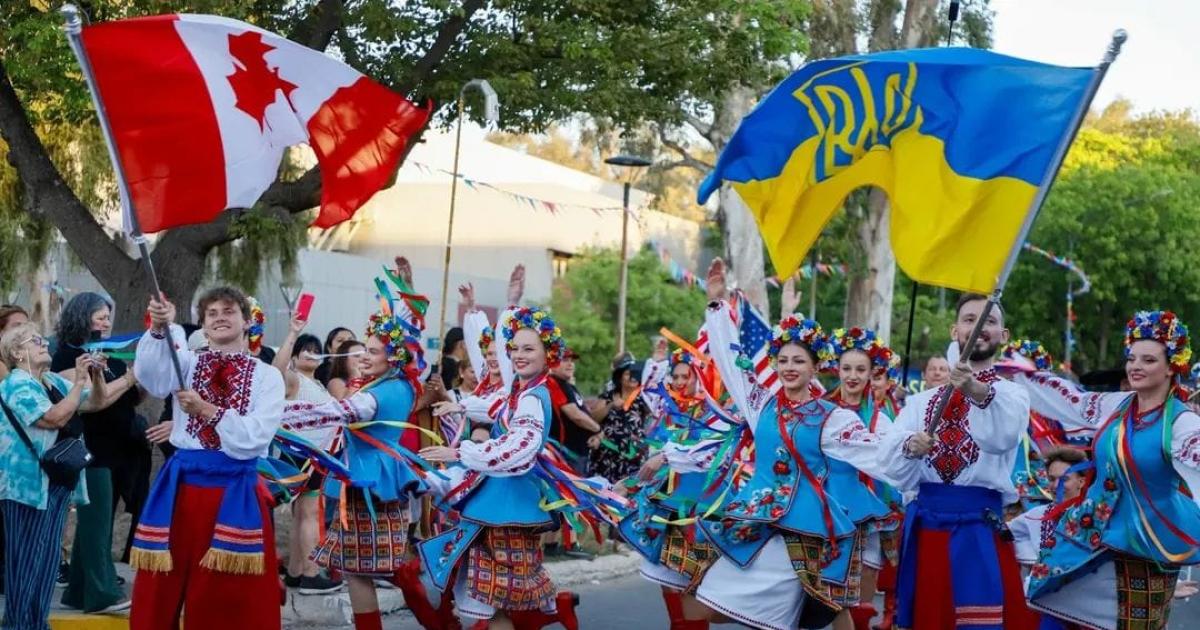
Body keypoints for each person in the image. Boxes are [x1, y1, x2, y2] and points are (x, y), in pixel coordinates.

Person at [682, 259, 895, 630]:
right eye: (783, 360)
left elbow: (877, 453)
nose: (789, 367)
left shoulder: (832, 417)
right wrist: (717, 307)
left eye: (799, 360)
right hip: (759, 519)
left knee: (818, 611)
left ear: (815, 368)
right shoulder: (761, 404)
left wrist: (917, 449)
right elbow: (732, 365)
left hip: (807, 527)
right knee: (711, 602)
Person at [1016, 310, 1200, 630]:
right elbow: (1070, 400)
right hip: (1094, 533)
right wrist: (1017, 372)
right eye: (1132, 358)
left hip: (1148, 544)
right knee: (1059, 611)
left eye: (1148, 360)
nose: (1136, 367)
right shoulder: (1117, 405)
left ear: (1172, 366)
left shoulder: (1182, 424)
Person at [279, 275, 441, 630]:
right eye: (363, 351)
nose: (363, 358)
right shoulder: (385, 384)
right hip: (362, 480)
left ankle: (433, 613)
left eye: (372, 351)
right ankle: (428, 610)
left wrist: (276, 413)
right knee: (359, 568)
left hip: (372, 483)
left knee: (366, 568)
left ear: (393, 356)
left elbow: (338, 413)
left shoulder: (386, 391)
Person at [129, 288, 285, 630]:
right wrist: (159, 328)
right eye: (211, 312)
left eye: (228, 311)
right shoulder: (187, 363)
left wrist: (207, 410)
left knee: (228, 595)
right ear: (203, 323)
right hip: (181, 489)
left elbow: (256, 437)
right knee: (158, 587)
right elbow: (152, 375)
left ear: (247, 321)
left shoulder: (267, 376)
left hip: (234, 491)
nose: (219, 317)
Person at [421, 306, 585, 630]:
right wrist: (462, 404)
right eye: (515, 348)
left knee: (497, 601)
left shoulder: (534, 399)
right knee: (494, 600)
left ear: (547, 354)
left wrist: (462, 453)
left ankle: (556, 608)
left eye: (528, 349)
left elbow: (517, 450)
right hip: (497, 504)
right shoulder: (520, 391)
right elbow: (496, 405)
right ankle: (557, 609)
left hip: (509, 507)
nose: (518, 355)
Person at [880, 294, 1038, 629]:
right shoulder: (921, 402)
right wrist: (910, 444)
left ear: (1003, 335)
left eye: (989, 322)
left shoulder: (1011, 396)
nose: (979, 328)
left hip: (978, 526)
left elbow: (1003, 436)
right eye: (969, 320)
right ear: (955, 330)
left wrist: (975, 389)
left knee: (978, 622)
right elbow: (889, 460)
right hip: (927, 525)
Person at [0, 321, 124, 630]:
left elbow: (96, 401)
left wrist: (95, 377)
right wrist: (80, 379)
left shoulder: (50, 381)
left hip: (54, 483)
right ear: (16, 352)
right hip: (25, 487)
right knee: (26, 563)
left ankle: (36, 622)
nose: (44, 344)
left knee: (45, 562)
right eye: (35, 340)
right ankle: (21, 624)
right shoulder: (17, 383)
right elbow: (53, 418)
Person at [51, 292, 143, 614]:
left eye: (107, 315)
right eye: (99, 315)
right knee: (95, 521)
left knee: (100, 519)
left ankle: (77, 590)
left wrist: (136, 378)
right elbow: (94, 401)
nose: (106, 320)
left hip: (117, 448)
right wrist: (129, 378)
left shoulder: (109, 351)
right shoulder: (67, 356)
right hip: (90, 448)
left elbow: (130, 396)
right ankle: (103, 593)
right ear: (81, 316)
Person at [824, 327, 901, 630]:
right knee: (823, 591)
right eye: (846, 368)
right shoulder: (823, 411)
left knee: (861, 594)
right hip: (824, 508)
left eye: (860, 369)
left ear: (872, 374)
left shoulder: (879, 420)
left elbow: (890, 464)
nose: (852, 376)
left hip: (866, 511)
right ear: (837, 370)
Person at [271, 315, 343, 595]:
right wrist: (291, 333)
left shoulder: (319, 385)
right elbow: (276, 369)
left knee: (303, 514)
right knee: (310, 514)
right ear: (295, 356)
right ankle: (312, 574)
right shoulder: (292, 379)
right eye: (306, 349)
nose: (312, 354)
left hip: (316, 455)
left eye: (316, 350)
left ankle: (296, 572)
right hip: (300, 454)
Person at [1009, 446, 1088, 570]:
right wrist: (1033, 558)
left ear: (1081, 482)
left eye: (1064, 479)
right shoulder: (1037, 515)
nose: (1056, 485)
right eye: (1052, 479)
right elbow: (1008, 534)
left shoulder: (1094, 512)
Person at [587, 358, 650, 487]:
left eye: (635, 373)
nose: (632, 377)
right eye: (628, 373)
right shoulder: (608, 396)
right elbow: (594, 418)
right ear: (620, 377)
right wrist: (611, 406)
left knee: (631, 491)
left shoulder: (643, 398)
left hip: (634, 456)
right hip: (608, 455)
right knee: (605, 492)